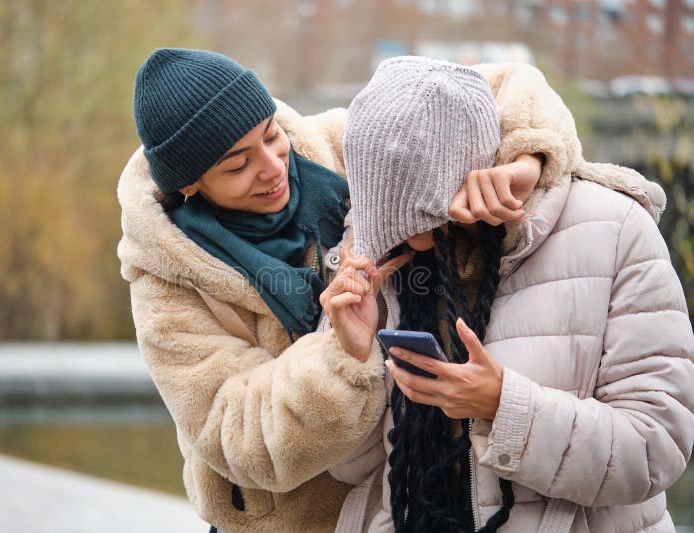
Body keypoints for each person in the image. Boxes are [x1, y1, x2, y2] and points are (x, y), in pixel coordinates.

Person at [117, 48, 586, 532]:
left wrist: (524, 158)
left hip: (405, 498)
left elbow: (504, 84)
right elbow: (240, 441)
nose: (274, 166)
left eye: (271, 134)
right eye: (238, 166)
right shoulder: (164, 280)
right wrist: (340, 354)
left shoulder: (349, 143)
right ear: (190, 185)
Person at [322, 56, 694, 532]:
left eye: (413, 216)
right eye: (378, 208)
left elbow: (656, 448)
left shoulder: (614, 229)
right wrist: (352, 360)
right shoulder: (377, 253)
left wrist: (503, 405)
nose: (397, 236)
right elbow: (349, 473)